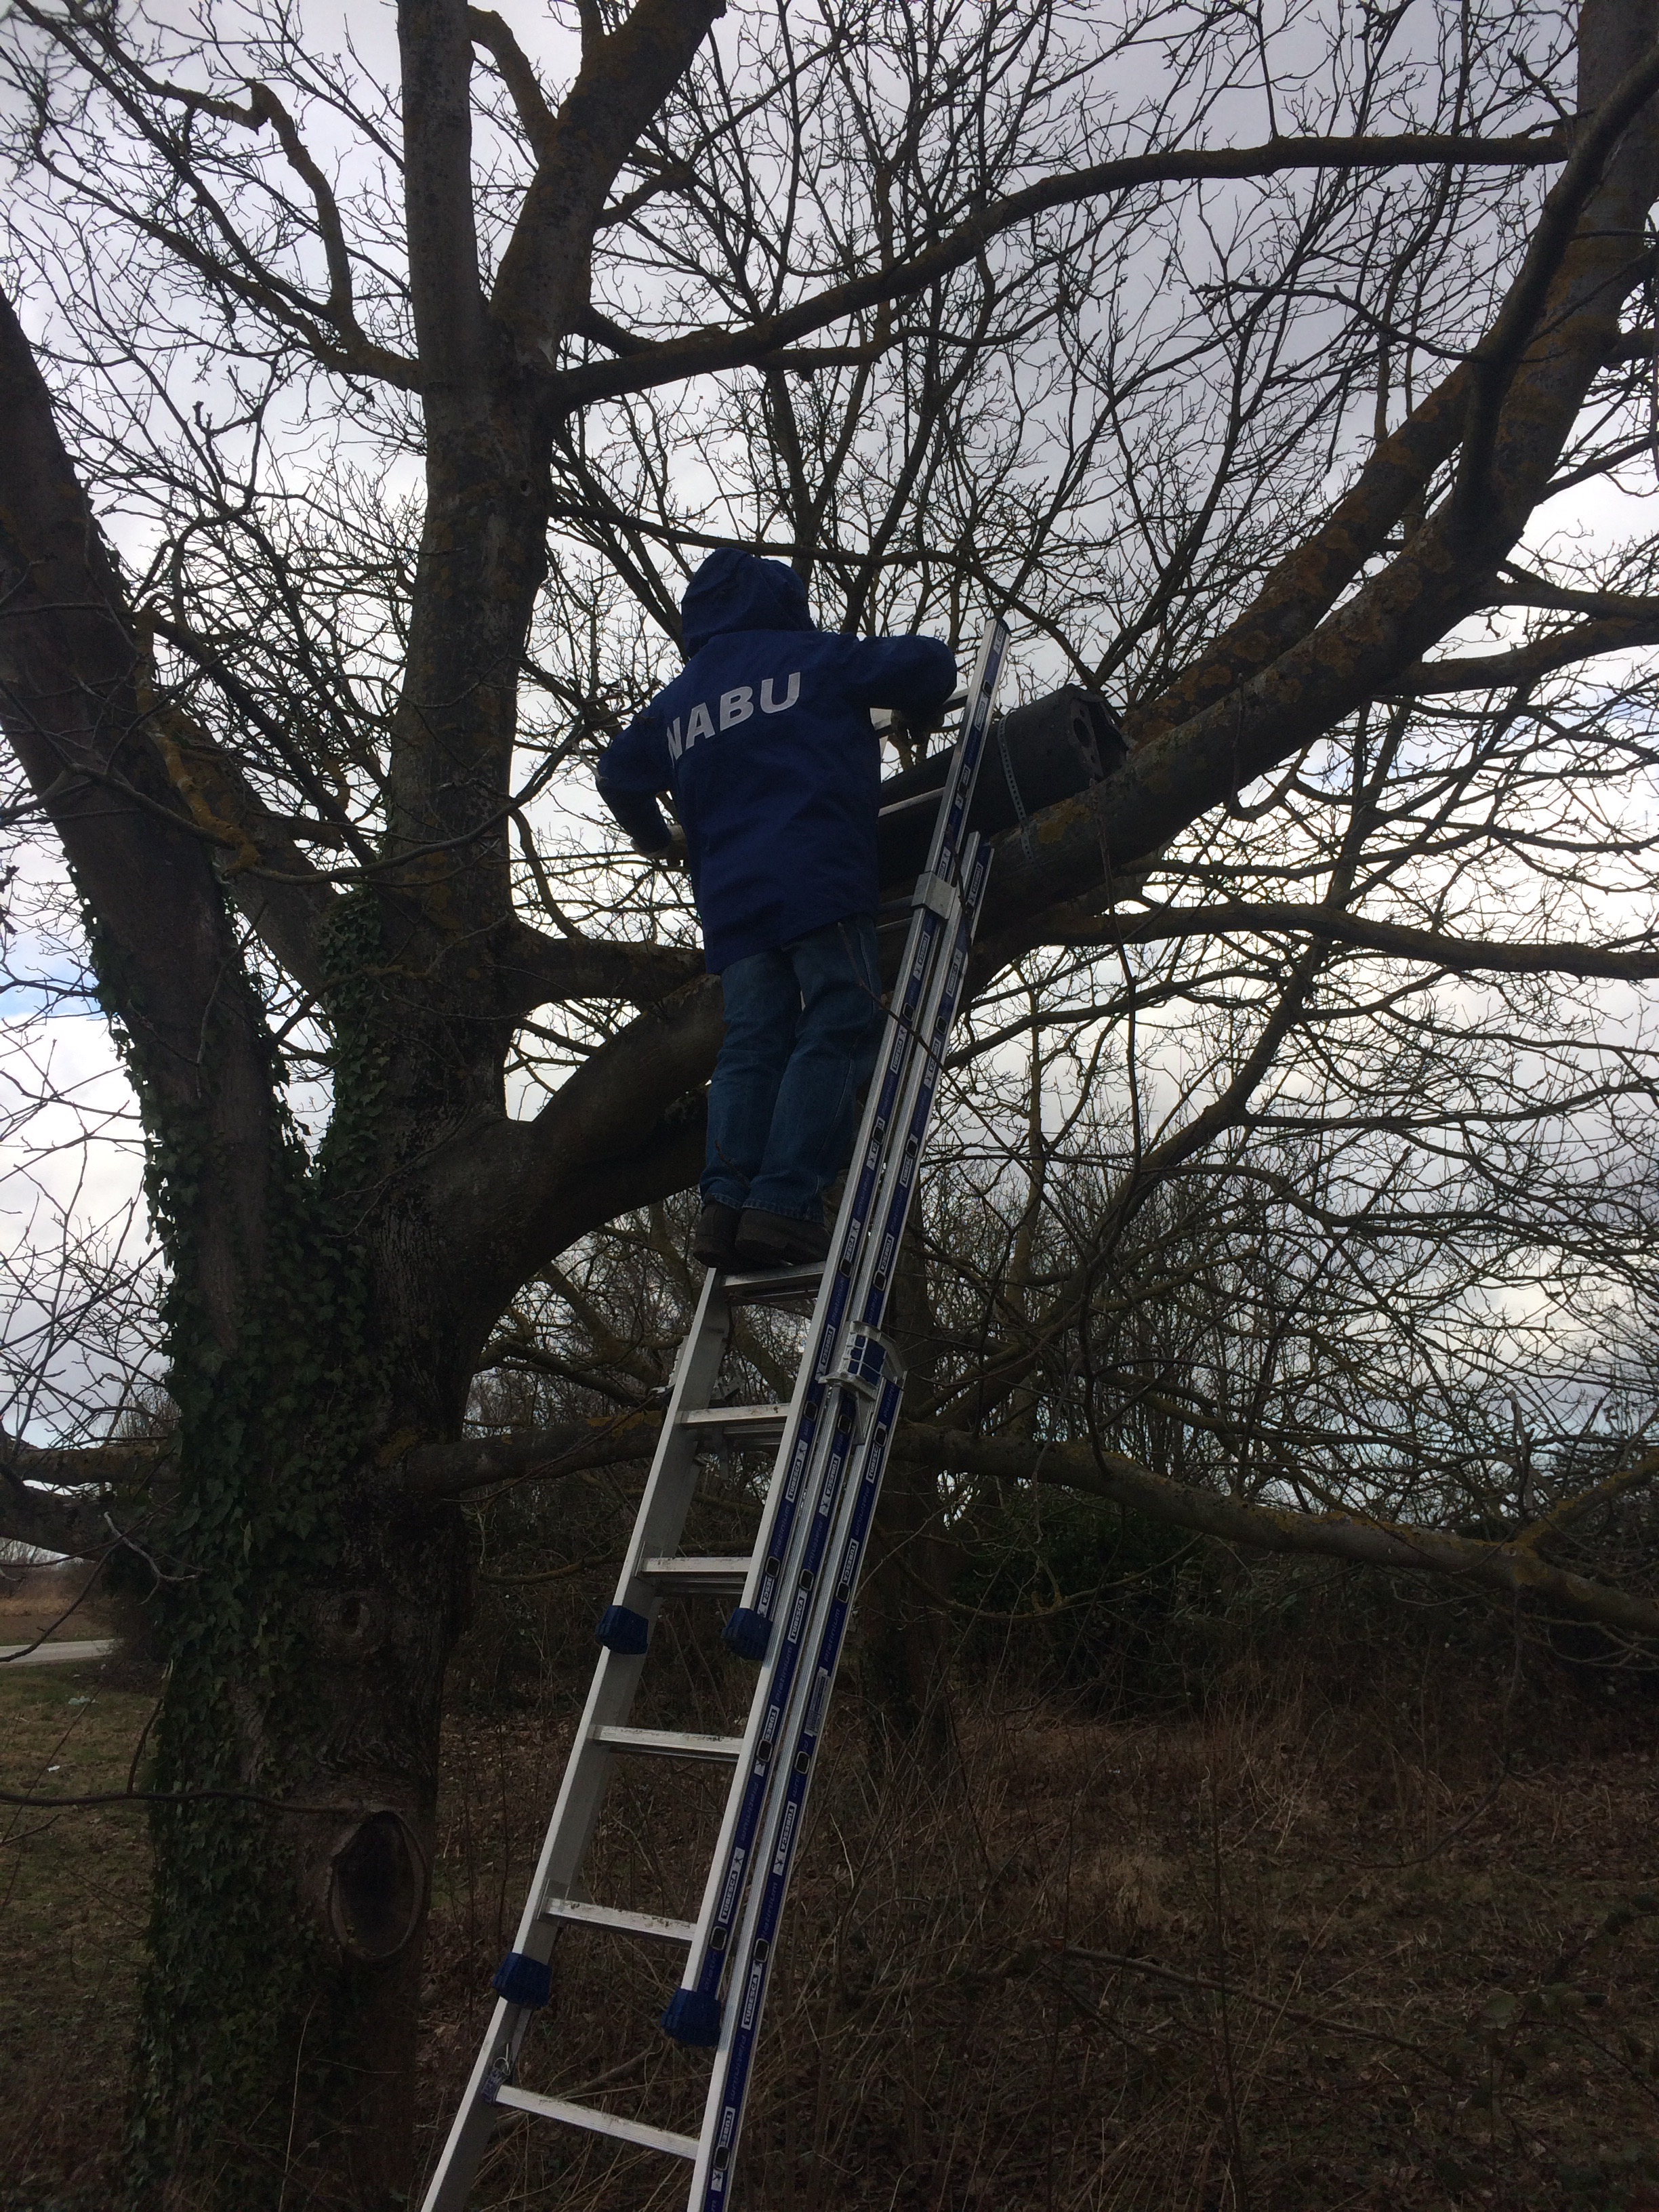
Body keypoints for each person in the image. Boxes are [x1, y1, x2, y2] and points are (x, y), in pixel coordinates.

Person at [596, 548, 958, 1270]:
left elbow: (616, 774)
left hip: (733, 905)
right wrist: (915, 708)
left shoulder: (678, 703)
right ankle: (785, 1202)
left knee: (751, 1043)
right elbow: (929, 663)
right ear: (780, 602)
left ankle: (725, 1203)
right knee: (837, 1019)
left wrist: (656, 840)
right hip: (819, 877)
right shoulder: (811, 658)